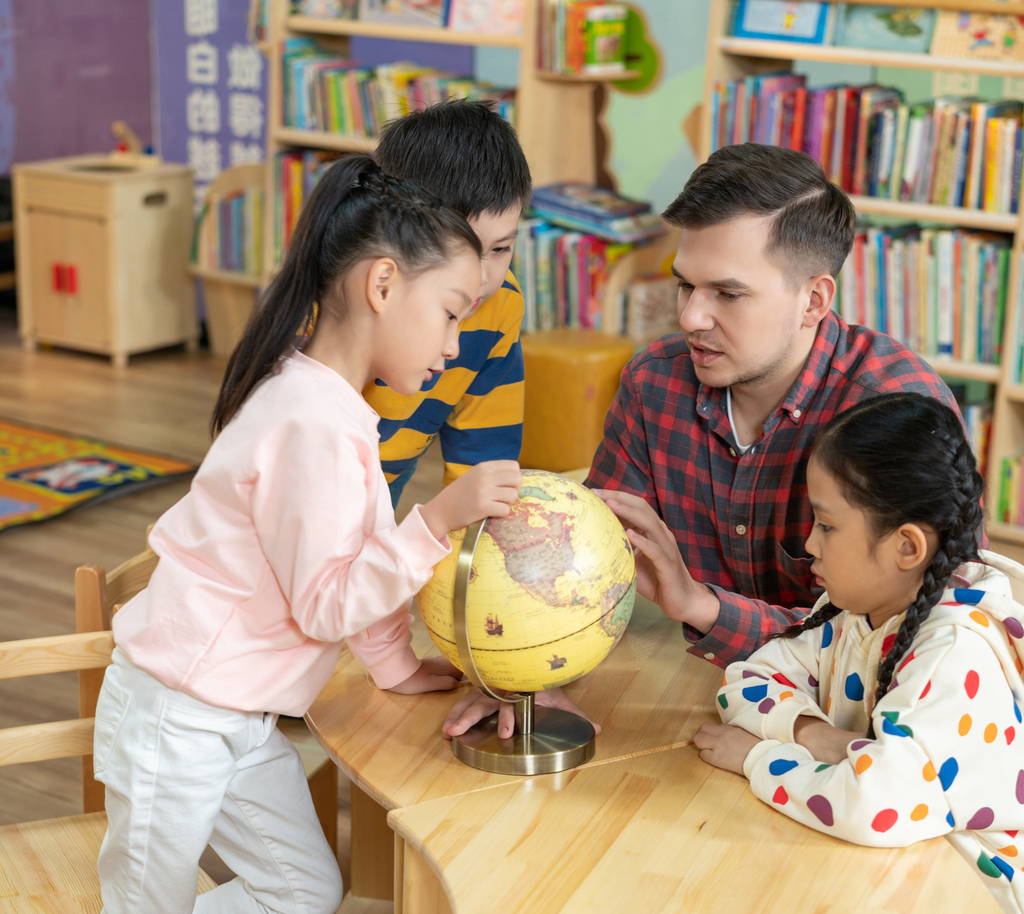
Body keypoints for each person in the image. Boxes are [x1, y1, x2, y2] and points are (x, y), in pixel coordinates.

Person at [92, 155, 523, 914]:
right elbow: (329, 603)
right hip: (178, 712)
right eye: (451, 313)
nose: (454, 344)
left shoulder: (334, 409)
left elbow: (356, 547)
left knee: (304, 891)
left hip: (236, 712)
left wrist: (392, 664)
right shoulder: (311, 421)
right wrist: (438, 519)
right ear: (383, 286)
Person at [589, 143, 962, 669]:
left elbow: (918, 640)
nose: (692, 316)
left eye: (728, 293)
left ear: (813, 301)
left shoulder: (897, 411)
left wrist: (701, 605)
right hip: (694, 680)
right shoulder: (653, 381)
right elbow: (585, 558)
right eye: (685, 285)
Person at [693, 392, 1024, 914]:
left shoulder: (954, 651)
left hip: (972, 883)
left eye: (826, 525)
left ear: (907, 548)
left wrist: (756, 757)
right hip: (892, 855)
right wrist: (821, 738)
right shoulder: (853, 610)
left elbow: (877, 804)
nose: (809, 543)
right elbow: (748, 679)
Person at [368, 98, 532, 505]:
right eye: (464, 249)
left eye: (500, 249)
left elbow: (484, 452)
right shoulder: (347, 292)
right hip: (303, 471)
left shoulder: (500, 303)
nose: (480, 278)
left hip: (389, 470)